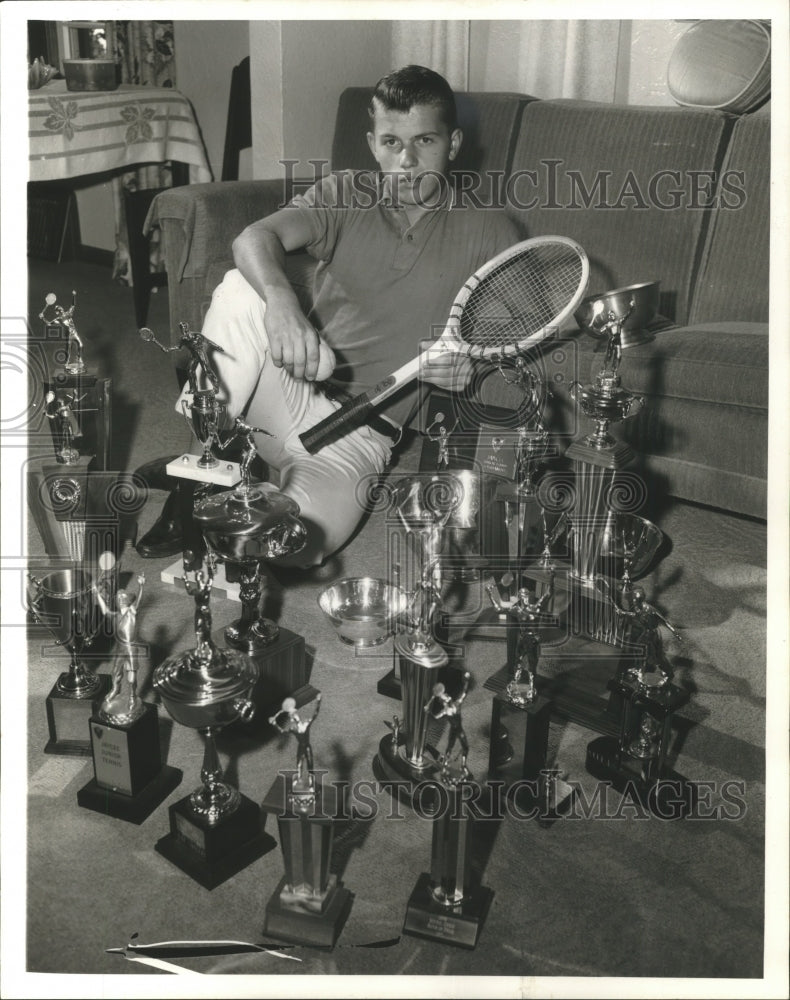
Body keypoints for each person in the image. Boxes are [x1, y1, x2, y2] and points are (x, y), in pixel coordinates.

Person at [140, 65, 520, 567]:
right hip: (290, 385)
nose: (405, 161)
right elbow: (253, 239)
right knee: (242, 288)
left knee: (294, 549)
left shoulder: (490, 230)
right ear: (371, 142)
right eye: (390, 142)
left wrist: (473, 362)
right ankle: (198, 479)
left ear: (452, 143)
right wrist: (282, 304)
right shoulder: (347, 192)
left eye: (424, 140)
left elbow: (529, 321)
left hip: (362, 436)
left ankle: (250, 487)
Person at [95, 573, 146, 725]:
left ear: (128, 601)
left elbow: (139, 602)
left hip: (131, 649)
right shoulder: (116, 615)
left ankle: (132, 695)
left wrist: (141, 586)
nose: (120, 600)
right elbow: (104, 610)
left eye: (122, 598)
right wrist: (97, 594)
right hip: (120, 647)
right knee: (115, 672)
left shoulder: (132, 613)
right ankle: (116, 690)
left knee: (131, 676)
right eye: (119, 599)